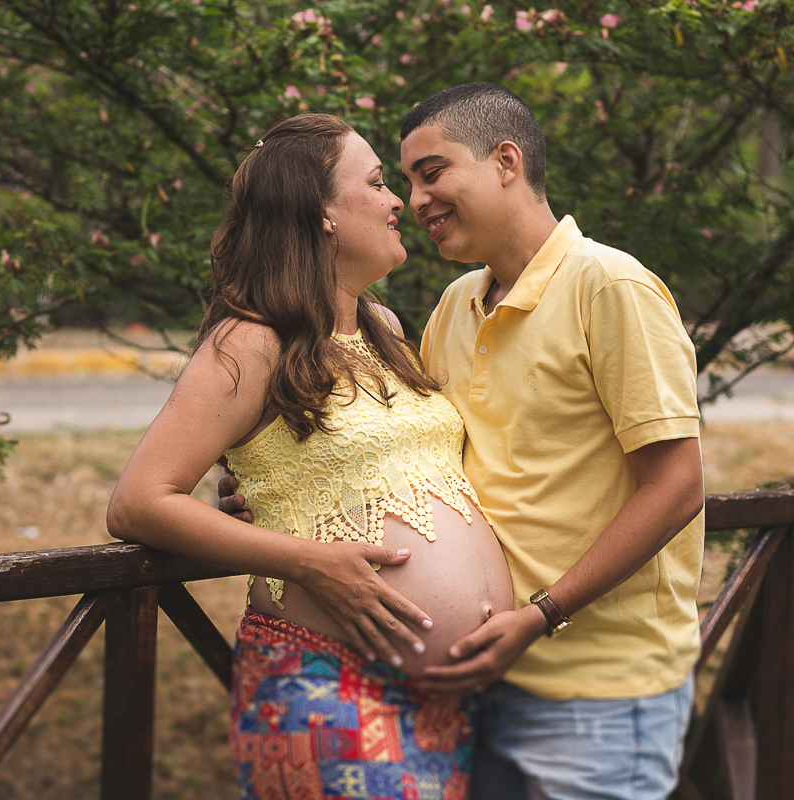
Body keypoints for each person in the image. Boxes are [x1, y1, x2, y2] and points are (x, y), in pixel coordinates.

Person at [221, 83, 706, 800]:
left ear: (506, 162)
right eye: (402, 181)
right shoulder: (455, 305)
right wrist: (277, 484)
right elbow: (411, 453)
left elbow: (678, 486)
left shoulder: (609, 286)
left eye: (432, 172)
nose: (414, 200)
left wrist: (541, 615)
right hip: (473, 689)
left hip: (595, 690)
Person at [107, 113, 513, 800]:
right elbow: (139, 502)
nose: (398, 202)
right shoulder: (251, 341)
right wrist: (307, 560)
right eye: (378, 183)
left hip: (454, 702)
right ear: (321, 212)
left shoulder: (384, 328)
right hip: (331, 687)